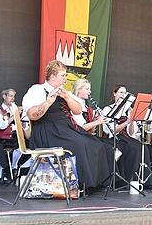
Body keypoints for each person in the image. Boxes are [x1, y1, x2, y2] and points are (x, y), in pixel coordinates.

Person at [22, 60, 112, 188]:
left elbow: (77, 110)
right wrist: (47, 103)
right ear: (52, 77)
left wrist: (67, 97)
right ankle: (81, 185)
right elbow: (32, 115)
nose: (65, 78)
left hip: (66, 129)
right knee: (80, 144)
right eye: (63, 75)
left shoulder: (65, 92)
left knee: (98, 144)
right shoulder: (37, 90)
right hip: (48, 130)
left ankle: (97, 184)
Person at [101, 85, 152, 183]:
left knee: (142, 147)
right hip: (115, 138)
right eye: (121, 92)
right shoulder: (108, 109)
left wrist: (133, 119)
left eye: (125, 93)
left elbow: (131, 132)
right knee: (134, 148)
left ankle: (143, 180)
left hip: (126, 137)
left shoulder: (128, 110)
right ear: (114, 94)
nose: (123, 95)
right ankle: (131, 179)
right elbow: (111, 131)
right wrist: (127, 122)